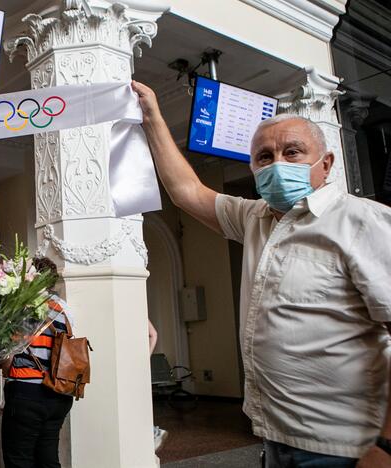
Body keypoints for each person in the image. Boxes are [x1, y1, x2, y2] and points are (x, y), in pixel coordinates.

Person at [132, 81, 391, 467]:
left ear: (327, 163)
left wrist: (386, 445)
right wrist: (152, 116)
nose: (277, 164)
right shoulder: (254, 218)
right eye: (264, 157)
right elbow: (186, 191)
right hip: (275, 438)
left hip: (346, 446)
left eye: (293, 152)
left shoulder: (363, 221)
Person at [0, 256, 73, 468]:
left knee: (19, 461)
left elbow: (8, 354)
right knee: (48, 460)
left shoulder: (23, 309)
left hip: (26, 393)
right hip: (58, 395)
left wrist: (3, 368)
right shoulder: (61, 312)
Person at [148, 320, 168, 452]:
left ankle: (153, 432)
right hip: (136, 365)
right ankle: (153, 432)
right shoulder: (137, 309)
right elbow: (153, 334)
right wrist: (145, 357)